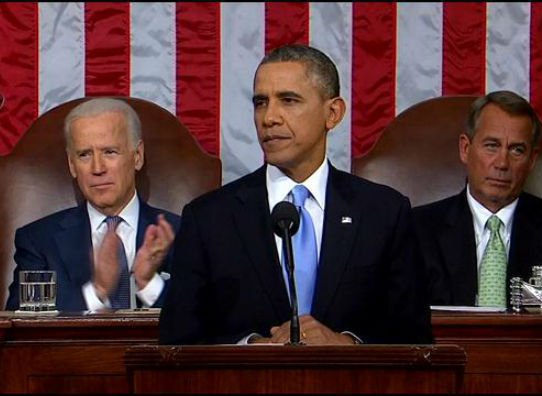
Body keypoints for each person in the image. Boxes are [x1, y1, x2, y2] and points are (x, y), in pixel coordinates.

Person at [159, 44, 432, 345]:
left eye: (288, 100)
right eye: (261, 102)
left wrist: (348, 344)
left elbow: (414, 336)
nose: (269, 118)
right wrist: (249, 348)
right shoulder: (208, 217)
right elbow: (177, 338)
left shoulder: (384, 212)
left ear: (333, 113)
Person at [412, 90, 542, 307]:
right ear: (465, 149)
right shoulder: (416, 230)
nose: (502, 163)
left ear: (531, 160)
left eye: (517, 150)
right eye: (491, 145)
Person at [5, 98, 179, 311]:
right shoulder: (39, 241)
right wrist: (97, 292)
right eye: (84, 154)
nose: (97, 168)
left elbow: (207, 321)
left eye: (110, 152)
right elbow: (20, 327)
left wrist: (149, 284)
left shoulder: (183, 233)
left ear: (137, 156)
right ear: (72, 165)